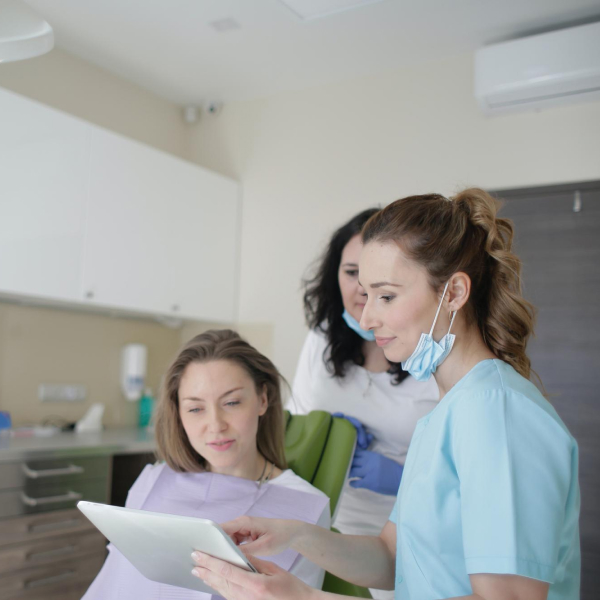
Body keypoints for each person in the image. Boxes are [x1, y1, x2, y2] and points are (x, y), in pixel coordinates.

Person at [190, 189, 580, 600]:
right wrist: (294, 535)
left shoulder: (496, 412)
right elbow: (393, 557)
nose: (367, 317)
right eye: (366, 294)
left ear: (453, 293)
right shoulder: (445, 413)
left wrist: (305, 598)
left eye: (387, 296)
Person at [82, 329, 330, 599]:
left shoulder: (304, 506)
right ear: (178, 413)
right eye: (195, 408)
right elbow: (114, 581)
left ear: (262, 399)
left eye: (231, 402)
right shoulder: (154, 480)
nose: (215, 425)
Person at [292, 209, 438, 599]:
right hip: (324, 524)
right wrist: (324, 431)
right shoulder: (321, 338)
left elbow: (459, 469)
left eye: (378, 280)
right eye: (351, 272)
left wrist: (402, 478)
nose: (363, 289)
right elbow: (295, 419)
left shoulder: (430, 354)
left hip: (404, 533)